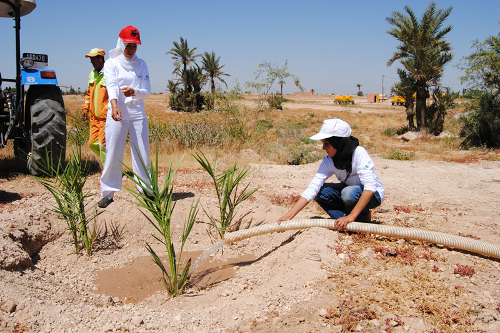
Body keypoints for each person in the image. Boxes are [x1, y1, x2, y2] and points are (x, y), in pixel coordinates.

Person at [278, 118, 385, 230]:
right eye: (323, 143)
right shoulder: (329, 161)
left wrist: (351, 216)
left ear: (339, 143)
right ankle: (345, 222)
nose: (323, 148)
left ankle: (359, 218)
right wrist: (288, 216)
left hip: (373, 194)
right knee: (319, 191)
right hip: (350, 193)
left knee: (348, 193)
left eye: (327, 144)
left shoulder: (359, 153)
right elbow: (312, 188)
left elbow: (370, 187)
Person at [98, 25, 152, 208]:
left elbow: (147, 91)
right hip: (117, 112)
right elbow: (112, 85)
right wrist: (114, 105)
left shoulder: (142, 64)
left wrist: (134, 92)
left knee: (142, 153)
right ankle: (108, 192)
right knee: (113, 152)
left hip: (137, 113)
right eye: (128, 45)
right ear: (121, 43)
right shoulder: (111, 64)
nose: (131, 49)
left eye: (134, 46)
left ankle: (146, 189)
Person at [82, 48, 108, 165]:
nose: (91, 61)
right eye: (90, 59)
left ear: (100, 58)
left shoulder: (109, 73)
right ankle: (112, 163)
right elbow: (89, 94)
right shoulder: (92, 74)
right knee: (92, 144)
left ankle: (108, 170)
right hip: (94, 117)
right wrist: (85, 108)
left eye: (93, 58)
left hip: (105, 117)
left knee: (103, 144)